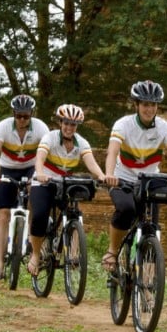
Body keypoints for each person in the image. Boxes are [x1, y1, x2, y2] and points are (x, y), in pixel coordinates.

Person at [102, 80, 167, 272]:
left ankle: (148, 280)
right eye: (145, 104)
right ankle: (112, 251)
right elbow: (112, 152)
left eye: (153, 104)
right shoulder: (123, 124)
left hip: (150, 182)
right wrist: (109, 174)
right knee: (126, 209)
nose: (149, 109)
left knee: (151, 228)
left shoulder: (164, 127)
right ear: (136, 105)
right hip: (122, 177)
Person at [26, 103, 106, 277]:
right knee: (39, 215)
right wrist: (39, 173)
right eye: (66, 123)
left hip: (64, 183)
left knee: (75, 214)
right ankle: (35, 254)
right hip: (44, 181)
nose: (69, 127)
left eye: (73, 124)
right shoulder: (50, 137)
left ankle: (74, 253)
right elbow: (40, 157)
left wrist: (101, 176)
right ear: (60, 122)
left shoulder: (81, 143)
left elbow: (91, 162)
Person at [0, 94, 48, 280]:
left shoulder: (41, 128)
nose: (22, 120)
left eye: (26, 116)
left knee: (34, 200)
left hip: (30, 168)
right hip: (8, 169)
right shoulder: (4, 127)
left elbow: (46, 152)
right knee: (3, 214)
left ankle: (32, 241)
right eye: (19, 116)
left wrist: (42, 173)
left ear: (31, 114)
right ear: (14, 114)